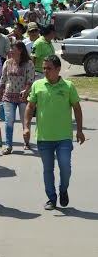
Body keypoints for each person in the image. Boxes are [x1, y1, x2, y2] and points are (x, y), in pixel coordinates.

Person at [24, 55, 85, 210]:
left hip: (64, 137)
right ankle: (51, 198)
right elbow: (30, 107)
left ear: (58, 69)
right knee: (48, 169)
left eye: (49, 68)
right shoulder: (38, 85)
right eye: (44, 68)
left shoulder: (68, 86)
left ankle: (63, 189)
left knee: (65, 167)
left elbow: (77, 109)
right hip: (44, 137)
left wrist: (79, 130)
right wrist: (26, 127)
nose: (45, 71)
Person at [0, 41, 35, 154]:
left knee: (25, 121)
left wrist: (26, 90)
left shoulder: (29, 63)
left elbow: (30, 80)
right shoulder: (8, 63)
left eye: (13, 49)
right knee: (9, 121)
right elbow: (3, 79)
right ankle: (8, 146)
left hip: (23, 96)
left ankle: (26, 142)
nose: (10, 51)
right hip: (8, 96)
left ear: (20, 50)